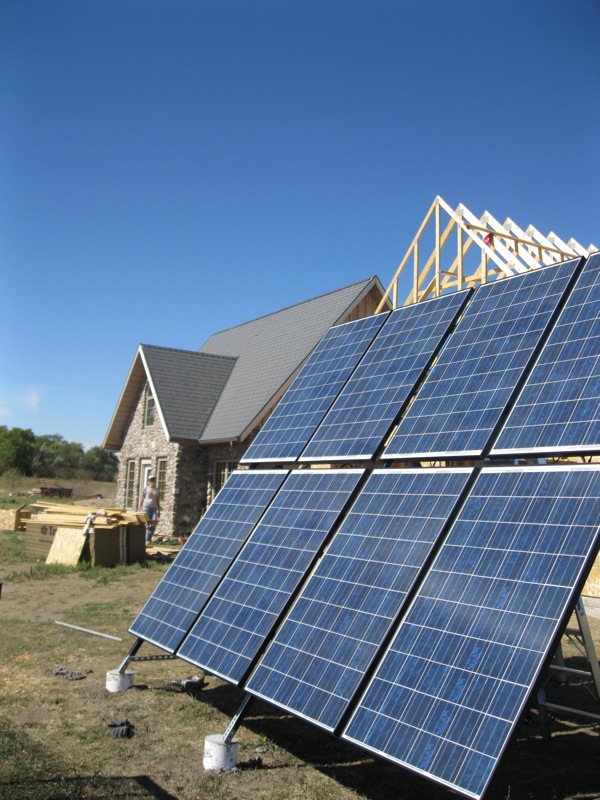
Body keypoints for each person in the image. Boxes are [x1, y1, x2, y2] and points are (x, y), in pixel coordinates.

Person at [140, 475, 160, 544]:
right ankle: (146, 539)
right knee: (147, 523)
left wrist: (158, 510)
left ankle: (149, 537)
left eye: (153, 480)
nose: (152, 482)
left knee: (153, 523)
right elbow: (142, 498)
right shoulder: (146, 489)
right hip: (146, 507)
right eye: (151, 480)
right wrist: (139, 508)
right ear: (148, 481)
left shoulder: (156, 490)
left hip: (153, 508)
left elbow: (157, 500)